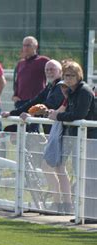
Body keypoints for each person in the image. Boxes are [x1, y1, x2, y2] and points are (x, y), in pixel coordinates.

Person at [2, 60, 71, 211]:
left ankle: (60, 203)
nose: (49, 71)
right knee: (58, 169)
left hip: (61, 133)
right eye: (47, 69)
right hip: (54, 132)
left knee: (50, 167)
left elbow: (48, 105)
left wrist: (33, 112)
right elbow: (35, 102)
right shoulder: (50, 87)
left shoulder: (59, 87)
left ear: (60, 72)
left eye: (52, 69)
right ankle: (65, 204)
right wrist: (14, 113)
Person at [48, 60, 97, 217]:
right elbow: (71, 112)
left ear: (79, 76)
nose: (68, 78)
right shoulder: (71, 92)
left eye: (71, 75)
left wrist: (58, 116)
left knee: (89, 177)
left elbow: (79, 115)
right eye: (66, 75)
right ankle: (82, 213)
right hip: (79, 139)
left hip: (90, 139)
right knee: (80, 176)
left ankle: (90, 215)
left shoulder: (84, 91)